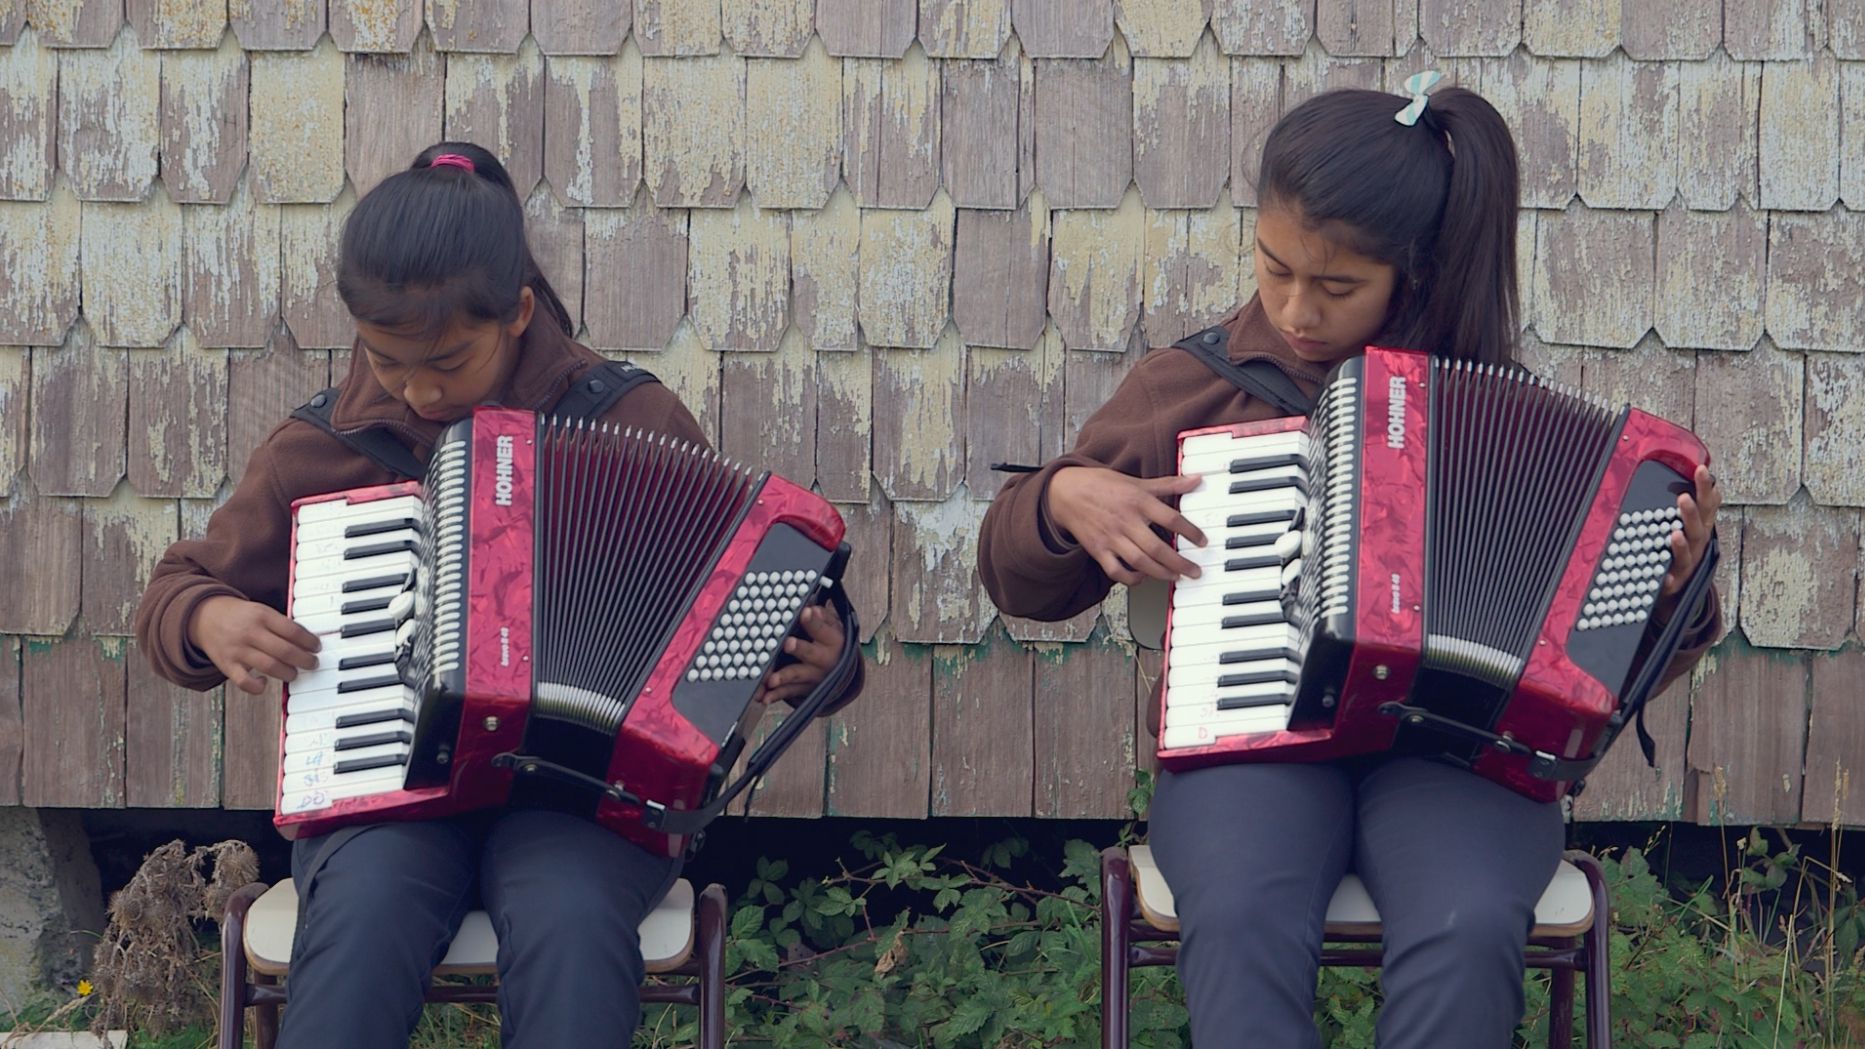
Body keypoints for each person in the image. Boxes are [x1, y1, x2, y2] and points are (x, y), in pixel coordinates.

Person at [977, 80, 1722, 1047]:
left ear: (1408, 276)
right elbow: (1017, 579)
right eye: (1272, 267)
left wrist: (1668, 592)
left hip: (1454, 758)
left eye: (1334, 288)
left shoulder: (1501, 417)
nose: (1294, 310)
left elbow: (1600, 674)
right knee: (1240, 909)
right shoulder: (1192, 390)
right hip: (1256, 742)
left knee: (1462, 925)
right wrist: (1057, 496)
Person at [134, 142, 848, 1049]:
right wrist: (208, 617)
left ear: (515, 314)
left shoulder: (629, 420)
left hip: (587, 802)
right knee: (360, 923)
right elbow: (174, 592)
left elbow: (755, 618)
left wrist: (820, 663)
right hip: (386, 791)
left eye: (445, 360)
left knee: (570, 920)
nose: (417, 389)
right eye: (388, 363)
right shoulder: (316, 452)